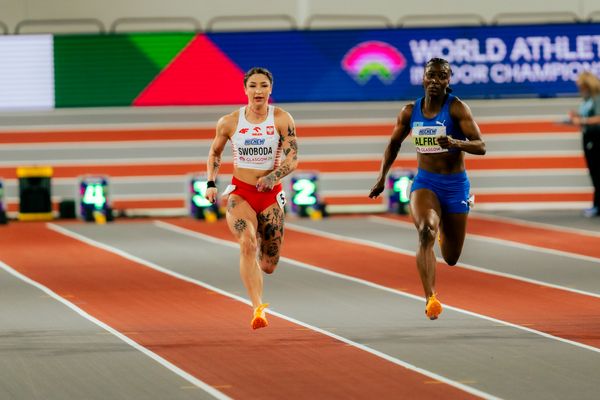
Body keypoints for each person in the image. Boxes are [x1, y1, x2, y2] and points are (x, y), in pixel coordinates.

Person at [369, 58, 486, 320]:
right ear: (423, 79)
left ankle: (447, 225)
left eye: (441, 76)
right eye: (430, 76)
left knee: (452, 257)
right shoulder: (410, 112)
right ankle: (430, 298)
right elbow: (394, 144)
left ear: (448, 81)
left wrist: (455, 142)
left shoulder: (457, 109)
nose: (435, 81)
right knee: (425, 232)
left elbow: (481, 145)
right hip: (426, 182)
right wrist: (381, 177)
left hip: (455, 185)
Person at [205, 67, 298, 329]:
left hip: (270, 196)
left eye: (263, 86)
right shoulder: (229, 122)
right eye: (253, 86)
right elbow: (214, 153)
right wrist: (211, 183)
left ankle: (259, 248)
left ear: (271, 89)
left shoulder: (281, 119)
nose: (258, 91)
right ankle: (258, 308)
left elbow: (293, 158)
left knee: (268, 265)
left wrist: (272, 176)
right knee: (246, 243)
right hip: (241, 193)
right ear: (245, 89)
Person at [568, 71, 600, 218]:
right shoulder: (587, 100)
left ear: (588, 85)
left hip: (596, 138)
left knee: (597, 173)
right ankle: (597, 204)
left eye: (581, 86)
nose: (579, 90)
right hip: (588, 138)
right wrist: (577, 117)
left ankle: (597, 206)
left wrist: (582, 121)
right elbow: (586, 117)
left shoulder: (597, 98)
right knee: (594, 173)